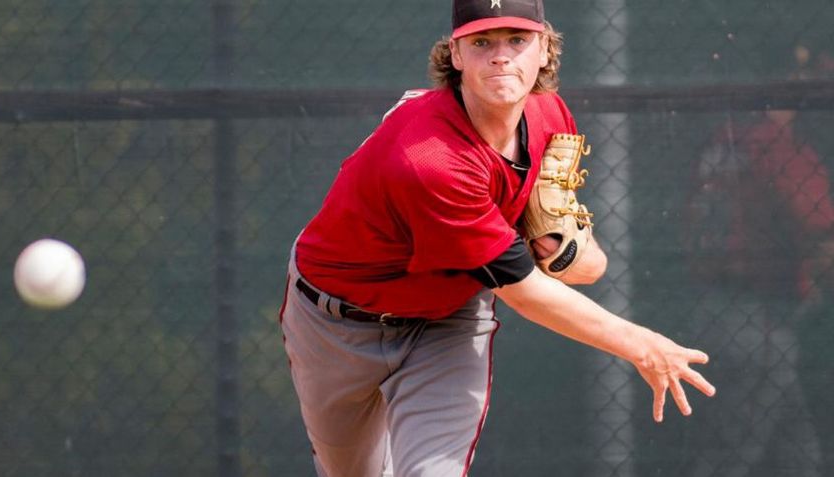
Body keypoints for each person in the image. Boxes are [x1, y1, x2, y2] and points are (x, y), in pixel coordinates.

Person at [279, 1, 715, 475]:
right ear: (456, 55)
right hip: (336, 321)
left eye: (517, 39)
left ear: (544, 49)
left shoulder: (550, 118)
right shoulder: (431, 158)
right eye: (482, 42)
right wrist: (642, 344)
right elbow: (525, 293)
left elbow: (577, 263)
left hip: (445, 323)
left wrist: (566, 249)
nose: (501, 56)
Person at [681, 71, 833, 474]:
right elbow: (820, 228)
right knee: (730, 455)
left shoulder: (727, 139)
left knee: (798, 449)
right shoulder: (778, 146)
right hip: (760, 316)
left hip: (714, 306)